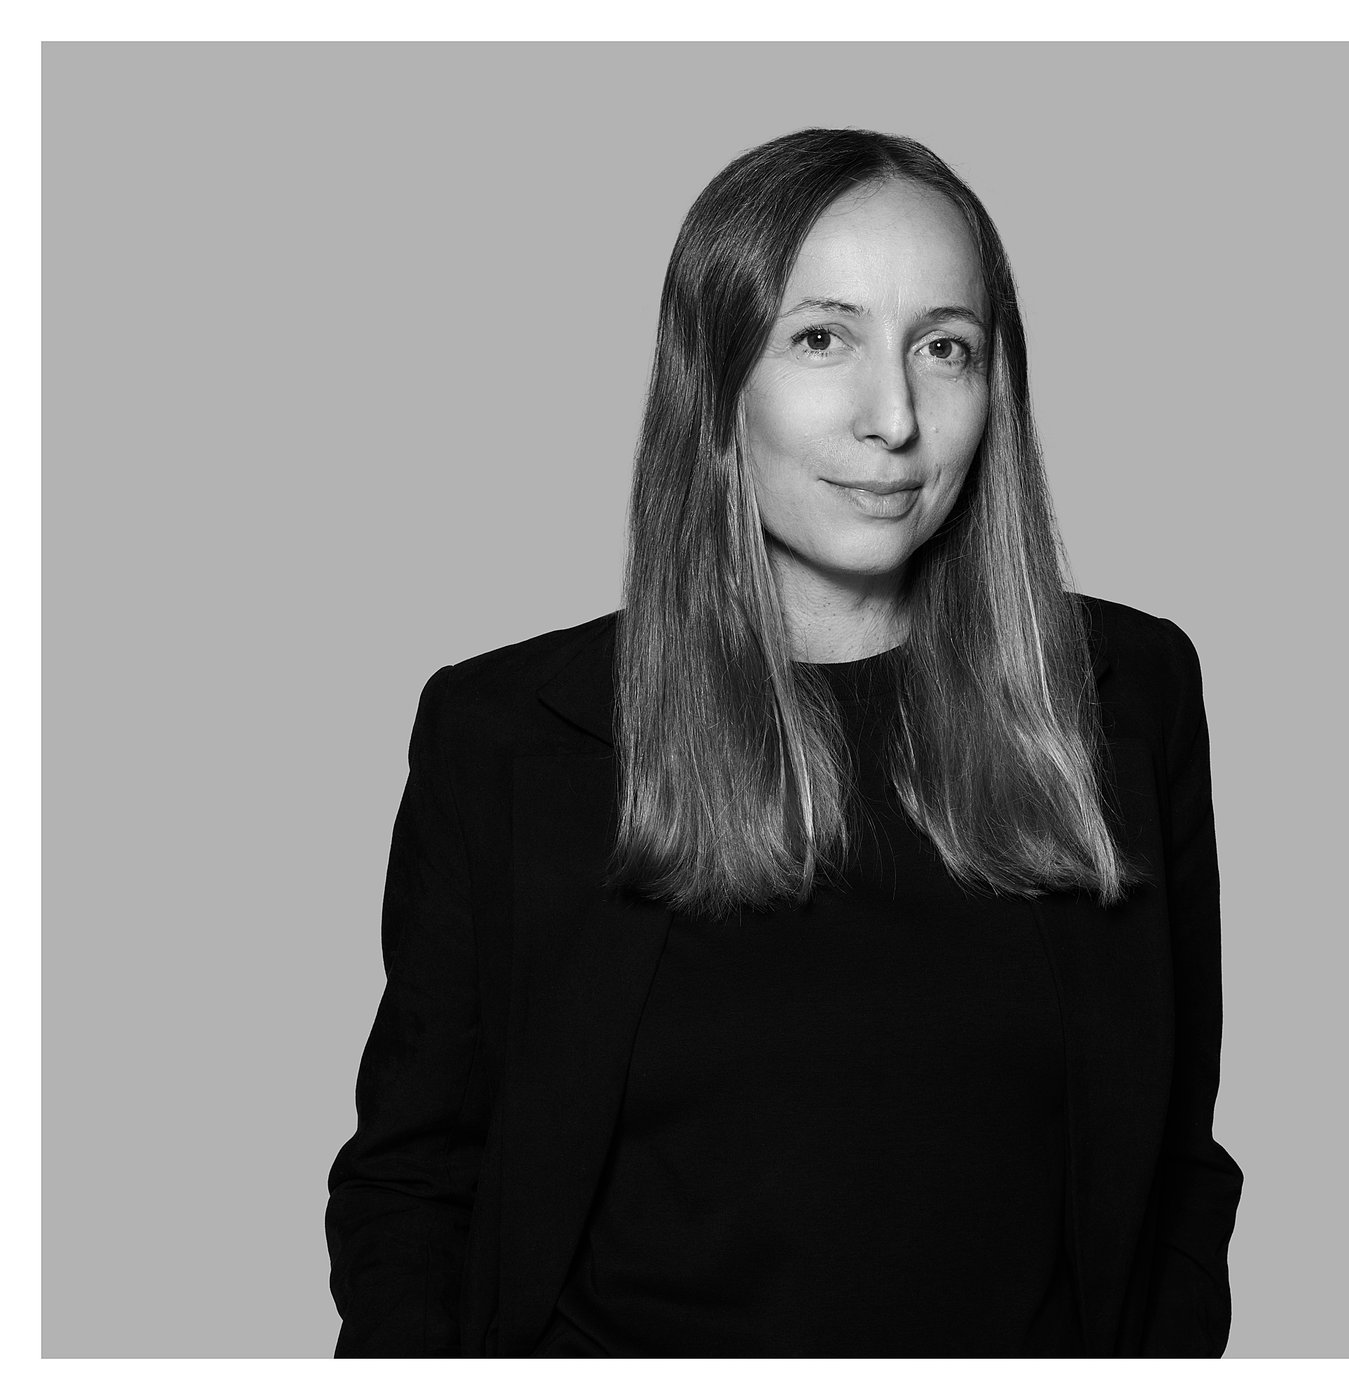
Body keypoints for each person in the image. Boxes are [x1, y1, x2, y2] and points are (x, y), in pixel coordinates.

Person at [324, 127, 1244, 1359]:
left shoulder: (1126, 693)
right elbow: (413, 1182)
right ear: (716, 377)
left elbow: (1175, 1159)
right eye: (822, 338)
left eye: (944, 347)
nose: (893, 418)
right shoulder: (502, 733)